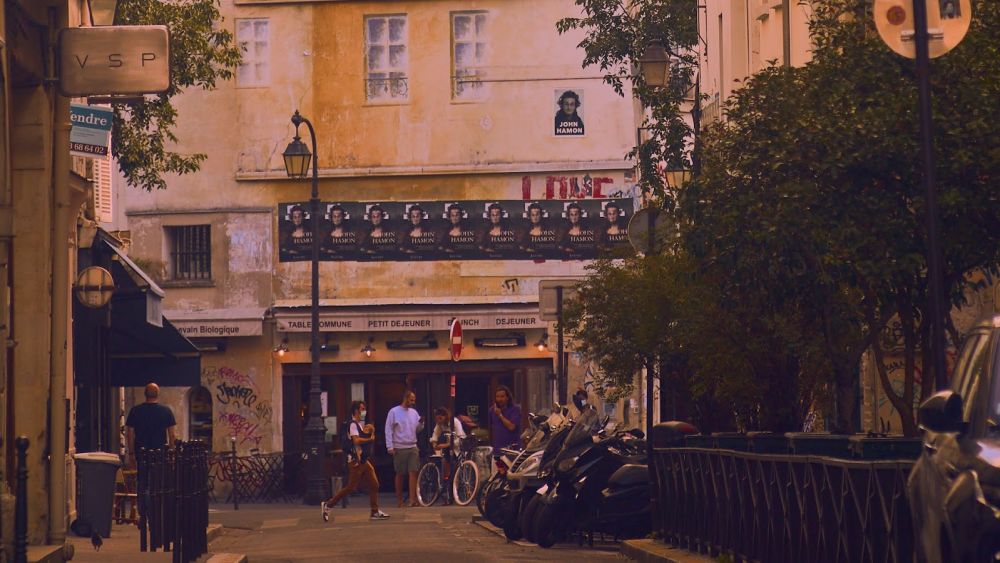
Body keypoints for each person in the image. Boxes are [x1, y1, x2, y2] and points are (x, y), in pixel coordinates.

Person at [322, 401, 389, 522]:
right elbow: (356, 440)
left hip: (362, 459)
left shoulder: (359, 424)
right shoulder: (353, 425)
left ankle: (374, 511)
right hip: (355, 461)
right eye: (362, 409)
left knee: (374, 484)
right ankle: (328, 505)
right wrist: (369, 439)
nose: (364, 411)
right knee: (350, 487)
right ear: (356, 410)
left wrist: (369, 431)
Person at [125, 383, 177, 520]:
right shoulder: (166, 411)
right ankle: (156, 510)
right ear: (157, 394)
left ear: (145, 394)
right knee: (157, 482)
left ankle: (144, 512)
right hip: (159, 452)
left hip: (141, 452)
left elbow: (130, 433)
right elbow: (172, 435)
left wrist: (131, 454)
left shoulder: (136, 411)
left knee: (142, 482)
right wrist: (171, 451)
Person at [385, 390, 424, 508]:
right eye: (411, 400)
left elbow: (417, 429)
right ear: (405, 398)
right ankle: (400, 500)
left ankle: (412, 499)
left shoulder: (414, 412)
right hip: (399, 446)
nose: (412, 403)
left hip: (412, 445)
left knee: (413, 472)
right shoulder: (394, 411)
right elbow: (388, 429)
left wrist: (421, 424)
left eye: (414, 401)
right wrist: (390, 446)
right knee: (400, 473)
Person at [429, 407, 466, 491]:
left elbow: (460, 438)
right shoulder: (440, 424)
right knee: (445, 460)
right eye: (437, 418)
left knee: (458, 465)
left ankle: (457, 483)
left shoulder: (455, 422)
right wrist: (434, 444)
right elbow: (435, 434)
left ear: (445, 416)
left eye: (440, 418)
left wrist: (445, 445)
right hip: (449, 446)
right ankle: (447, 479)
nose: (439, 420)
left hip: (459, 446)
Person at [488, 386, 521, 451]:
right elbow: (490, 430)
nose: (499, 399)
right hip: (497, 449)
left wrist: (500, 415)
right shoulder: (492, 410)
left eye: (502, 396)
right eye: (497, 397)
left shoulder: (515, 409)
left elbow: (511, 427)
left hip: (511, 449)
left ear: (507, 397)